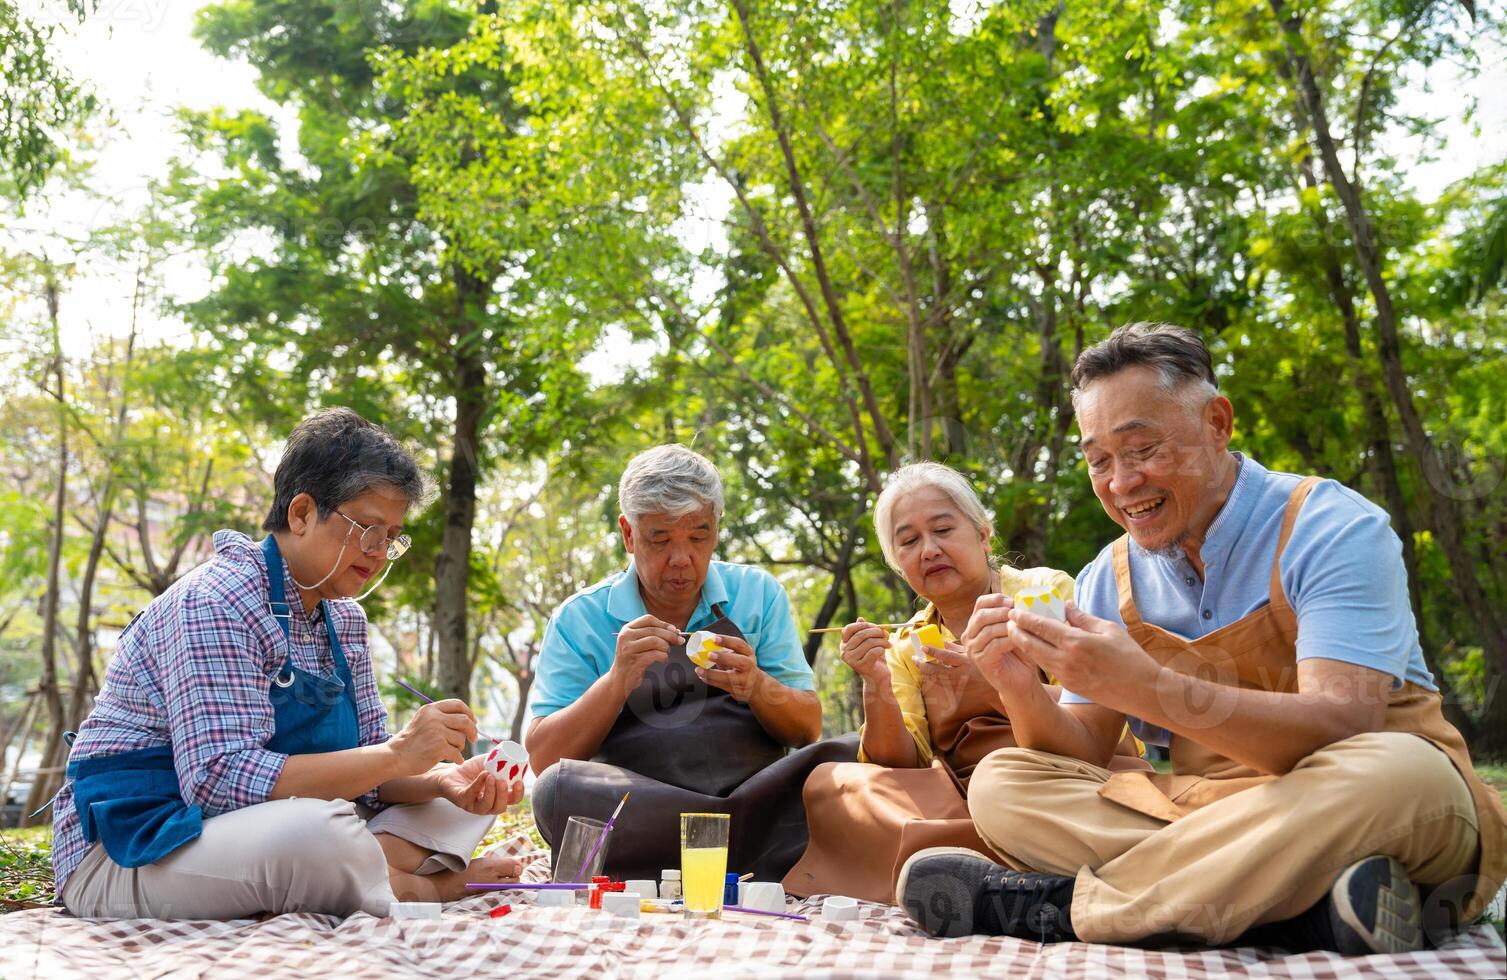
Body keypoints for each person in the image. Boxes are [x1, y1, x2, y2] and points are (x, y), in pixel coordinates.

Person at [898, 323, 1507, 954]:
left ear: (1217, 422)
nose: (1122, 483)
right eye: (1098, 461)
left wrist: (1144, 684)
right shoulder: (1106, 576)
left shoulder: (1330, 527)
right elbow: (1077, 753)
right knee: (1005, 782)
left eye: (1142, 449)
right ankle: (1302, 911)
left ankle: (1060, 910)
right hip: (1209, 813)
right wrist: (1021, 690)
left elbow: (1343, 722)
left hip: (1362, 794)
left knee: (1405, 775)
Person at [52, 409, 525, 920]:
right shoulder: (214, 601)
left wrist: (438, 780)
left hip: (264, 836)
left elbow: (368, 775)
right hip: (137, 848)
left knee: (452, 807)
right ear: (301, 513)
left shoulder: (344, 619)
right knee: (319, 833)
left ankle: (368, 868)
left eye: (391, 535)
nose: (379, 551)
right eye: (368, 528)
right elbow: (217, 781)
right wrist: (398, 754)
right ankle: (422, 886)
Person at [784, 462, 1146, 903]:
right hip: (958, 799)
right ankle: (1010, 869)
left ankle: (965, 868)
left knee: (1005, 788)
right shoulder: (907, 644)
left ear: (983, 534)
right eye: (909, 541)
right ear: (899, 565)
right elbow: (897, 765)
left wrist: (997, 685)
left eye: (943, 529)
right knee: (830, 782)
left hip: (1063, 781)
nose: (929, 550)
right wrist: (874, 681)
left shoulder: (1042, 594)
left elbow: (1107, 722)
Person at [526, 445, 856, 881]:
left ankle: (693, 860)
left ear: (716, 530)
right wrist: (617, 680)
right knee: (554, 791)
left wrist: (756, 685)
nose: (681, 559)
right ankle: (765, 860)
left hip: (757, 800)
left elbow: (806, 728)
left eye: (698, 537)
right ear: (629, 534)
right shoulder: (580, 618)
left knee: (850, 758)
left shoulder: (757, 594)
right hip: (648, 810)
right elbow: (544, 758)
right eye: (660, 539)